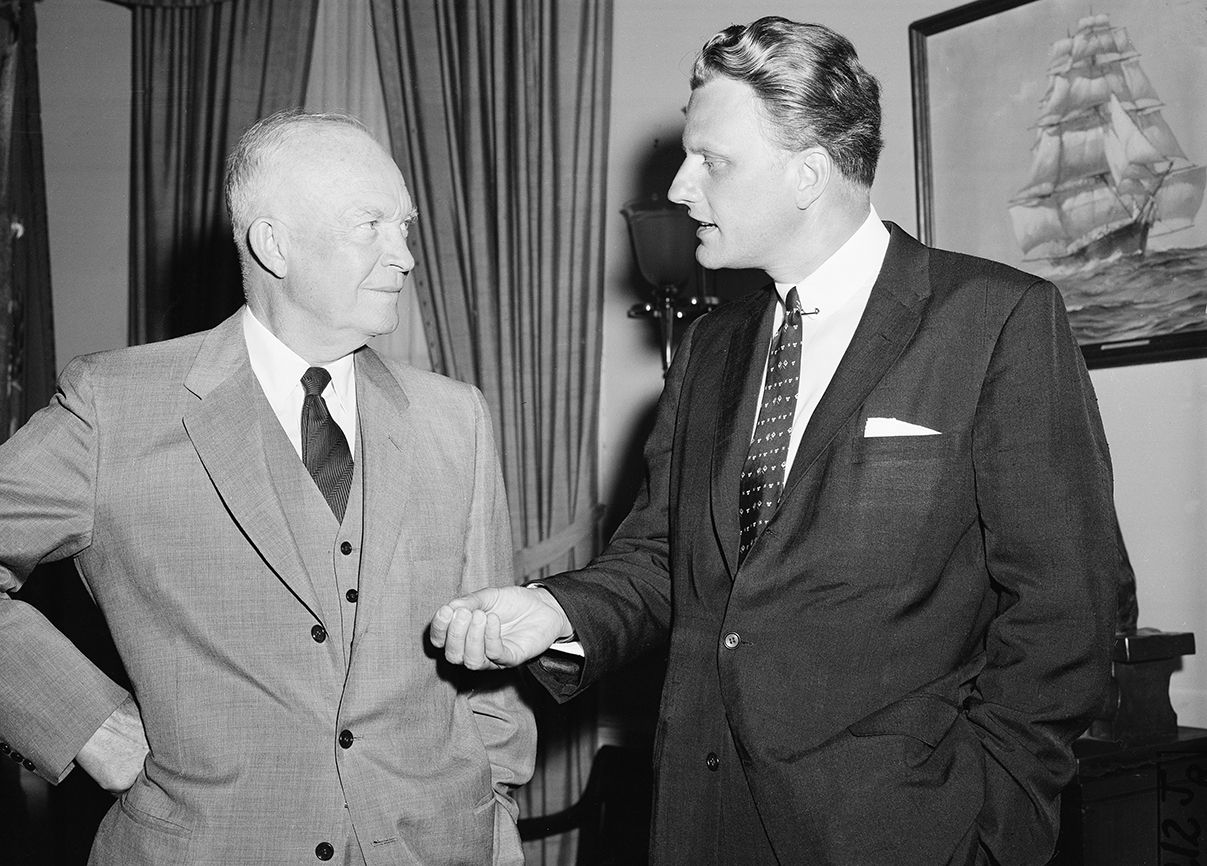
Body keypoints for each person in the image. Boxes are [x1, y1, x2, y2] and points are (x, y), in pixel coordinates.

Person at [431, 17, 1122, 866]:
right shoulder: (712, 346)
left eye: (710, 161)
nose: (680, 188)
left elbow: (1069, 610)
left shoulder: (994, 321)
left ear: (806, 175)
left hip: (905, 836)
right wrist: (555, 610)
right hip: (700, 822)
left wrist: (987, 826)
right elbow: (664, 558)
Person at [0, 110, 535, 865]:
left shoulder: (456, 417)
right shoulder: (115, 405)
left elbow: (488, 654)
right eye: (371, 224)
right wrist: (87, 725)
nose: (405, 255)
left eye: (405, 226)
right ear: (272, 243)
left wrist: (500, 809)